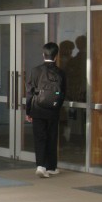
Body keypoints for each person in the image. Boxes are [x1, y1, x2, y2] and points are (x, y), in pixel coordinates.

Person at [25, 42, 67, 178]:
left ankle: (40, 166)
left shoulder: (35, 71)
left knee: (40, 138)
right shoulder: (60, 72)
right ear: (56, 56)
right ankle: (51, 167)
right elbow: (63, 94)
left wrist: (28, 111)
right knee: (52, 138)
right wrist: (56, 107)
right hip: (53, 111)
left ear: (43, 55)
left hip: (38, 109)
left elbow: (29, 92)